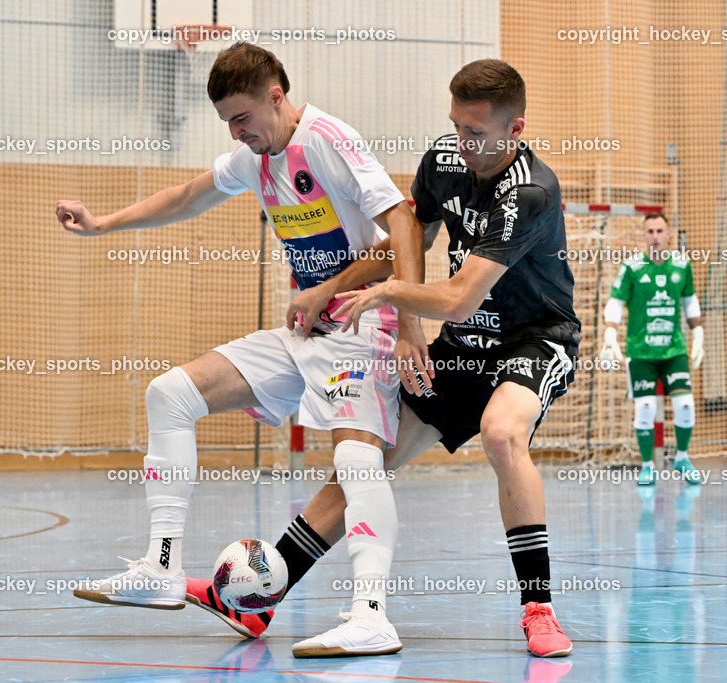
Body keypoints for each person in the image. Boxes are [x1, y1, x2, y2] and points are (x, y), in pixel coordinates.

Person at [190, 58, 580, 659]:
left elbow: (454, 297)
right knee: (364, 464)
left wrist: (393, 301)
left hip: (533, 340)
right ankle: (265, 595)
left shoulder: (530, 193)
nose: (463, 144)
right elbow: (403, 245)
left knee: (502, 434)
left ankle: (539, 609)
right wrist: (332, 286)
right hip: (464, 349)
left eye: (477, 134)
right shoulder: (444, 164)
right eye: (456, 127)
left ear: (515, 129)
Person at [55, 42, 426, 657]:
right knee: (169, 394)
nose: (236, 132)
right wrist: (103, 225)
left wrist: (410, 323)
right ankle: (162, 569)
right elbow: (187, 195)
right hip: (308, 330)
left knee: (358, 464)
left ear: (276, 97)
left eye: (243, 118)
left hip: (364, 326)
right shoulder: (256, 158)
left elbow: (404, 225)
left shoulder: (329, 139)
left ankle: (371, 615)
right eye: (227, 121)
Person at [598, 213, 704, 485]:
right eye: (650, 231)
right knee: (645, 407)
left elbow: (690, 300)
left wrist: (699, 332)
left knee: (685, 405)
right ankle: (647, 467)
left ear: (669, 234)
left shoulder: (681, 265)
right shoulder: (632, 267)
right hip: (641, 352)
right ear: (644, 235)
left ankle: (682, 457)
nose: (655, 236)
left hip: (673, 351)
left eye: (660, 231)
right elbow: (616, 302)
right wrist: (610, 331)